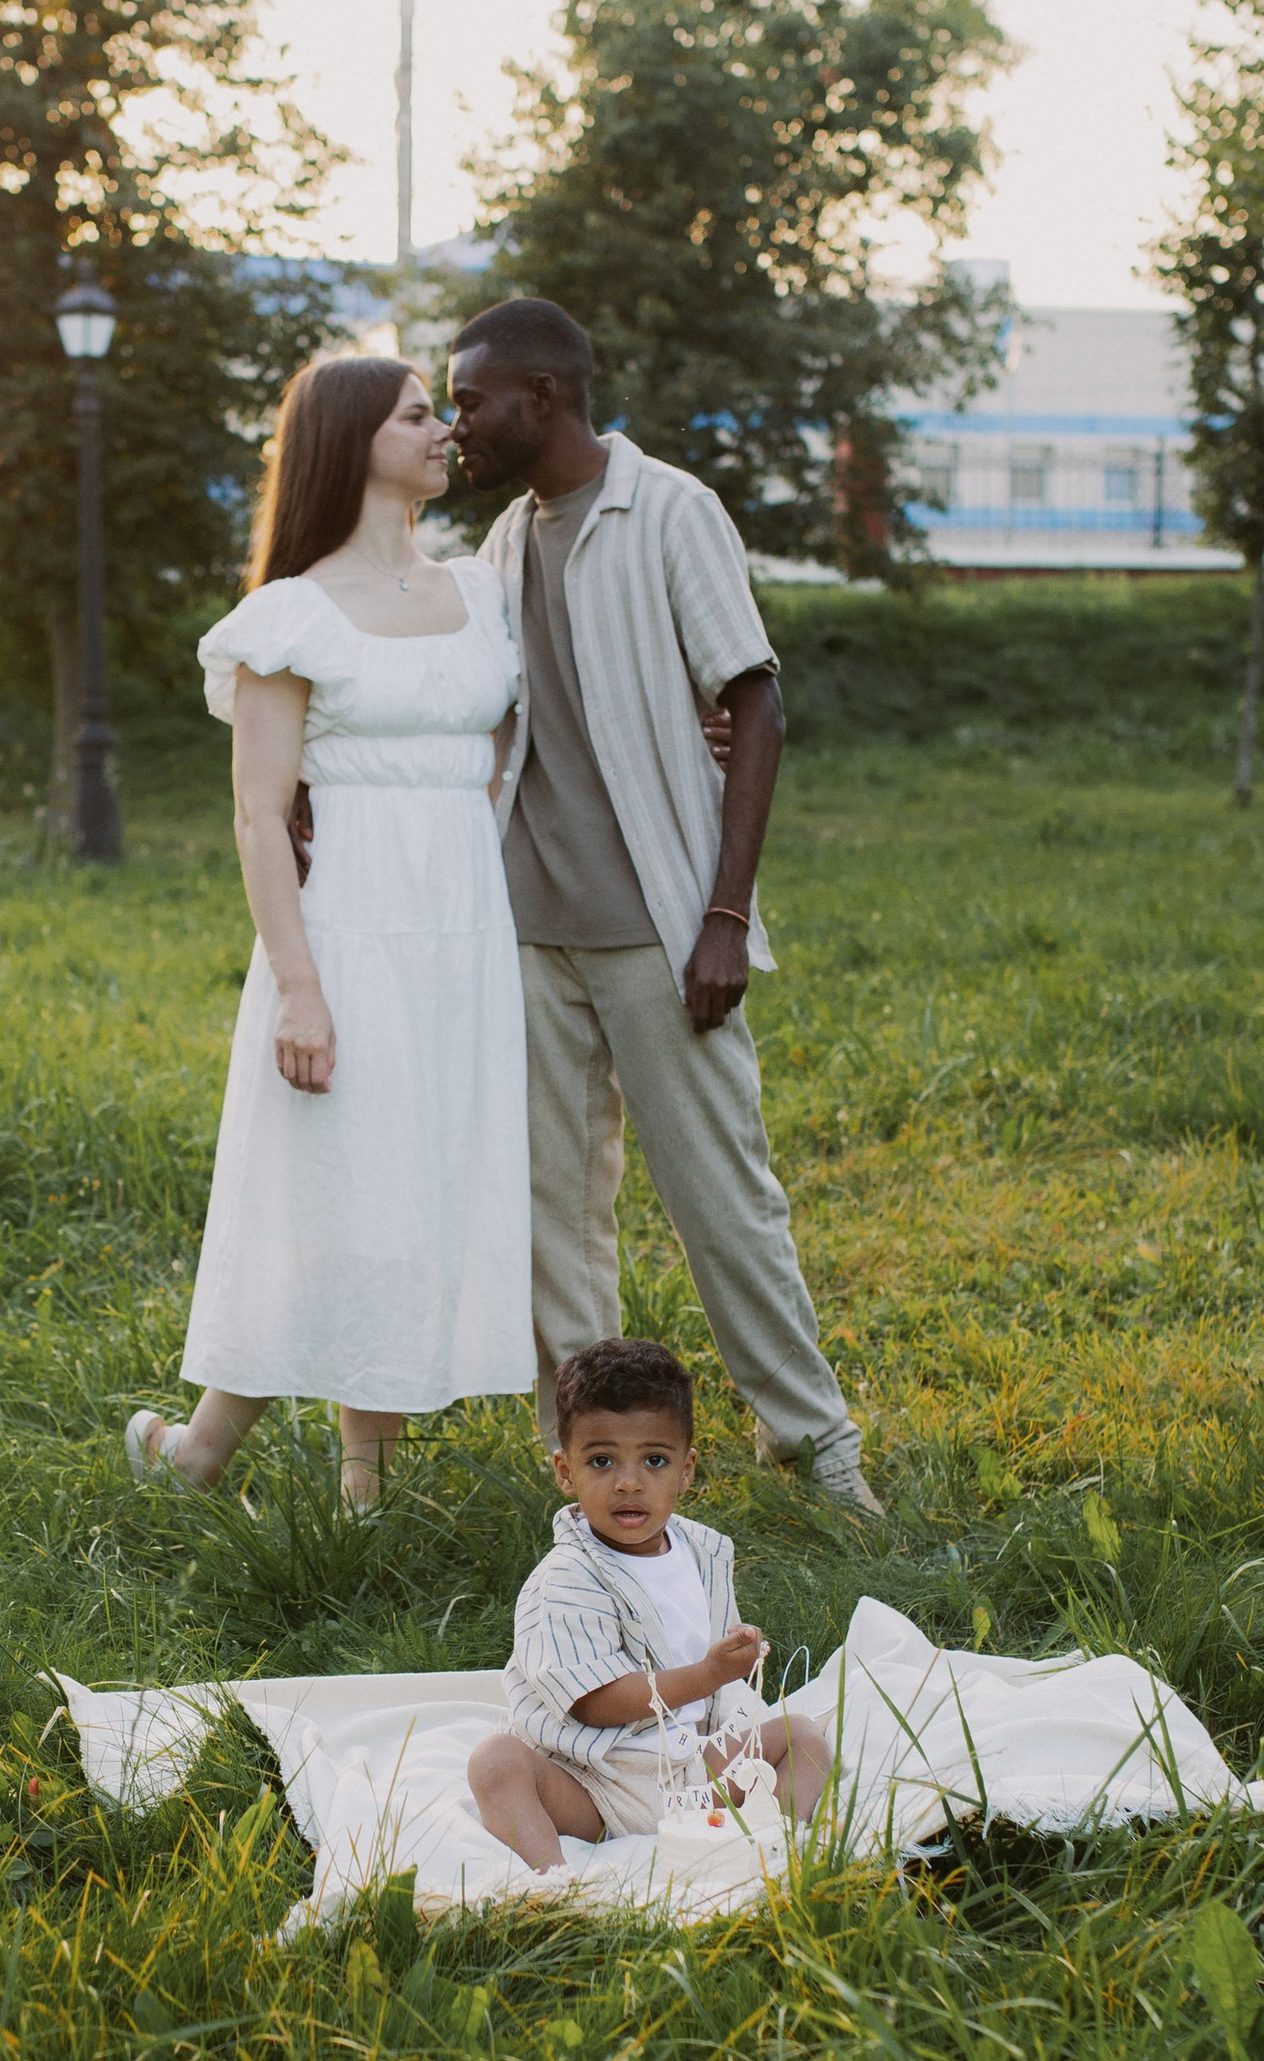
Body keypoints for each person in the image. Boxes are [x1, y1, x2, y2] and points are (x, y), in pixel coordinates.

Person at [448, 296, 884, 1518]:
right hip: (528, 935)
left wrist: (724, 917)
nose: (458, 422)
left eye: (472, 400)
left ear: (542, 396)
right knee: (555, 1224)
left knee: (721, 1201)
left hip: (660, 928)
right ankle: (593, 1468)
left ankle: (819, 1452)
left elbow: (757, 703)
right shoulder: (501, 543)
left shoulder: (672, 511)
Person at [126, 354, 531, 1510]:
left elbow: (512, 752)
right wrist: (299, 988)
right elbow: (258, 815)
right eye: (417, 415)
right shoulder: (290, 616)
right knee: (339, 1196)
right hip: (346, 939)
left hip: (461, 937)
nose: (444, 430)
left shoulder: (480, 593)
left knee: (412, 1195)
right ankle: (242, 1464)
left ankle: (314, 1482)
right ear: (352, 439)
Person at [466, 1337, 832, 1871]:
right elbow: (595, 1702)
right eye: (601, 1461)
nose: (629, 1483)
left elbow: (704, 1659)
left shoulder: (703, 1553)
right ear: (566, 1472)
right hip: (595, 1781)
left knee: (802, 1735)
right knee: (495, 1764)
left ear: (686, 1469)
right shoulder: (565, 1580)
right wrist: (708, 1674)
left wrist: (735, 1653)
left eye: (654, 1460)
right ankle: (551, 1886)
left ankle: (779, 1850)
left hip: (692, 1771)